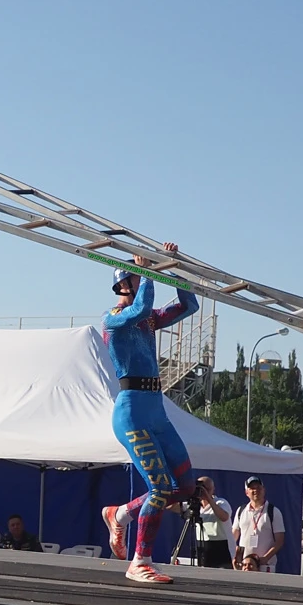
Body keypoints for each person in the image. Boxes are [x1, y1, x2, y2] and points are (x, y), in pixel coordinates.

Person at [95, 246, 200, 584]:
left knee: (184, 487)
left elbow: (189, 305)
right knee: (159, 488)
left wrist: (175, 269)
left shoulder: (148, 316)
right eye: (137, 278)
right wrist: (153, 271)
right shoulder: (115, 316)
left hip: (156, 410)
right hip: (132, 413)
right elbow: (140, 308)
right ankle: (140, 561)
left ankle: (120, 513)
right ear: (123, 284)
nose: (142, 282)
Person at [233, 476, 286, 573]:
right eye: (252, 488)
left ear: (264, 490)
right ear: (246, 492)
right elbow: (233, 537)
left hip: (265, 565)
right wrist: (235, 555)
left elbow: (280, 541)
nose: (255, 490)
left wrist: (265, 558)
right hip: (245, 565)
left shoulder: (273, 511)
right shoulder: (241, 511)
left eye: (258, 487)